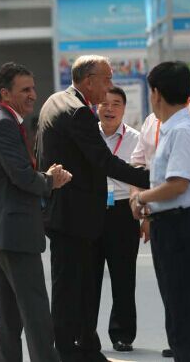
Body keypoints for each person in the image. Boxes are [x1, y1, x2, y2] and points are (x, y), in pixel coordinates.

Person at [36, 55, 149, 362]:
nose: (110, 85)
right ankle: (67, 351)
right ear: (89, 81)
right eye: (107, 79)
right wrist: (153, 178)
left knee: (81, 286)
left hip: (67, 212)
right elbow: (105, 162)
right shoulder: (78, 113)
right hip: (74, 216)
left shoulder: (54, 102)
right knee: (70, 288)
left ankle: (86, 347)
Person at [0, 62, 72, 362]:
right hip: (14, 234)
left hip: (0, 232)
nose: (33, 95)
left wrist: (43, 177)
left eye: (33, 88)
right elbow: (22, 177)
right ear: (5, 93)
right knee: (35, 312)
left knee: (7, 315)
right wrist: (50, 180)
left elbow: (12, 175)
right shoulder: (3, 124)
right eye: (25, 89)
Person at [129, 61, 190, 362]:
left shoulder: (180, 129)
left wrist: (141, 198)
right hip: (175, 223)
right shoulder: (179, 127)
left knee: (185, 308)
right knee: (181, 306)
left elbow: (178, 183)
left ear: (156, 93)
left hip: (179, 226)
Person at [95, 86, 143, 353]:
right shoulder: (88, 136)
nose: (109, 109)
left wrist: (145, 214)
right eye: (104, 103)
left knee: (124, 276)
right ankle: (85, 334)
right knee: (88, 276)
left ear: (124, 109)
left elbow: (142, 175)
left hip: (124, 211)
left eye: (116, 104)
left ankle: (123, 334)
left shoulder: (135, 138)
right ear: (96, 107)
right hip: (92, 210)